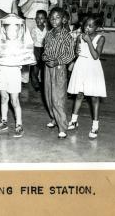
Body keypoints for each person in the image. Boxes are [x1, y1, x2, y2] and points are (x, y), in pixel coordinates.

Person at [0, 14, 35, 138]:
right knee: (4, 98)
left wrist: (23, 64)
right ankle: (4, 121)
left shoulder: (20, 45)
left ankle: (19, 124)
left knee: (14, 100)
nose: (12, 32)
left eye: (15, 30)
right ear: (4, 30)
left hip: (14, 73)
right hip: (2, 73)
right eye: (9, 29)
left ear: (19, 30)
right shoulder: (0, 43)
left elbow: (26, 57)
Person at [67, 16, 107, 139]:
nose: (87, 28)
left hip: (93, 68)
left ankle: (95, 126)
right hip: (81, 66)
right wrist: (76, 51)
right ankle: (74, 120)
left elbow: (95, 56)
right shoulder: (80, 36)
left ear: (97, 28)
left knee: (94, 97)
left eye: (91, 26)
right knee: (79, 94)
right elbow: (77, 51)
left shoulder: (101, 38)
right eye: (86, 25)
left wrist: (89, 41)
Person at [18, 0, 58, 83]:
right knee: (27, 49)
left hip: (43, 23)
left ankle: (41, 78)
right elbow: (23, 10)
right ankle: (25, 77)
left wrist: (48, 14)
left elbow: (55, 2)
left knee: (43, 49)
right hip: (30, 21)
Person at [42, 7, 75, 139]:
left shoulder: (66, 35)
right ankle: (54, 118)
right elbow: (45, 50)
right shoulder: (49, 34)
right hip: (48, 68)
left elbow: (71, 54)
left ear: (63, 19)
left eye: (57, 18)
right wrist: (44, 57)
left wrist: (57, 62)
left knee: (58, 98)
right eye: (52, 18)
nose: (54, 20)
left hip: (59, 68)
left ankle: (62, 126)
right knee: (49, 95)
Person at [30, 10, 48, 91]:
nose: (39, 20)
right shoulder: (34, 30)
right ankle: (36, 85)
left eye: (41, 18)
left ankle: (44, 84)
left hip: (45, 50)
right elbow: (31, 42)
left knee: (44, 68)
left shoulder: (47, 29)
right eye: (37, 18)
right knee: (35, 69)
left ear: (45, 19)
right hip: (36, 50)